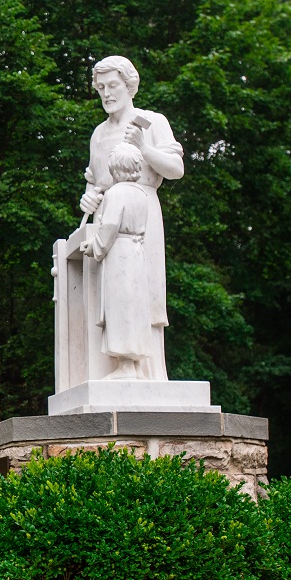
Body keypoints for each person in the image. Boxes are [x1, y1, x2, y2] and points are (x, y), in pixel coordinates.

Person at [80, 56, 184, 380]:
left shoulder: (151, 121)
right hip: (107, 218)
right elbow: (95, 181)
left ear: (129, 86)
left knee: (145, 292)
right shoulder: (99, 134)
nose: (107, 94)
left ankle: (148, 372)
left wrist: (145, 148)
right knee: (113, 295)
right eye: (101, 88)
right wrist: (88, 196)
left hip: (143, 215)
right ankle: (114, 368)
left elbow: (176, 170)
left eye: (113, 86)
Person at [82, 143, 150, 380]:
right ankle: (135, 365)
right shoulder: (142, 194)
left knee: (120, 307)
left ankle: (125, 366)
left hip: (119, 255)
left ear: (115, 170)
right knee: (135, 306)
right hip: (137, 253)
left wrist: (93, 247)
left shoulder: (115, 193)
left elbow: (109, 227)